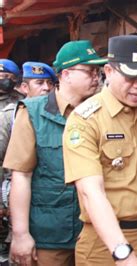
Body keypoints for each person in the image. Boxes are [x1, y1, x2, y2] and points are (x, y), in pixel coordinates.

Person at [62, 34, 137, 265]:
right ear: (109, 72)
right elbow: (91, 193)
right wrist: (123, 253)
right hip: (106, 246)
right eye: (131, 76)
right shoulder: (85, 121)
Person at [3, 41, 105, 266]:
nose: (96, 77)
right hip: (50, 235)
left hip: (95, 232)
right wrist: (20, 234)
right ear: (66, 74)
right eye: (90, 71)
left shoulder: (101, 112)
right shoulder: (32, 112)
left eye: (98, 72)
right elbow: (21, 175)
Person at [0, 61, 57, 253]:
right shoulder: (11, 116)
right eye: (39, 83)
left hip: (51, 199)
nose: (46, 88)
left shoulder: (61, 114)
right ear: (24, 87)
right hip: (16, 191)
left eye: (49, 83)